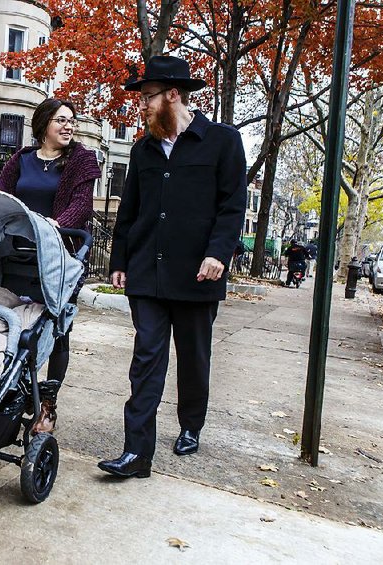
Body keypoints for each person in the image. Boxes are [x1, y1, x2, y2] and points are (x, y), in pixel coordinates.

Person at [98, 55, 247, 479]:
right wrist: (120, 261)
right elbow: (129, 210)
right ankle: (136, 453)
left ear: (173, 95)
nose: (141, 106)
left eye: (147, 98)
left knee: (194, 357)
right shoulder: (143, 149)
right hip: (147, 271)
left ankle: (190, 424)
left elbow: (232, 206)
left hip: (199, 273)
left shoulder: (221, 140)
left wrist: (219, 253)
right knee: (146, 358)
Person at [0, 97, 101, 434]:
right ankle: (7, 387)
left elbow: (82, 205)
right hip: (18, 255)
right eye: (61, 120)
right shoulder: (22, 159)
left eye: (72, 121)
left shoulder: (82, 160)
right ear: (43, 126)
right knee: (11, 323)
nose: (68, 126)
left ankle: (48, 405)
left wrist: (54, 227)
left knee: (57, 331)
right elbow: (1, 195)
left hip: (60, 256)